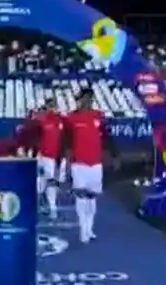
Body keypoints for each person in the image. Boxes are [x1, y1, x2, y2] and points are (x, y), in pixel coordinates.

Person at [63, 88, 117, 244]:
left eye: (90, 98)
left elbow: (107, 137)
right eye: (84, 98)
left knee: (92, 198)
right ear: (79, 100)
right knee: (81, 197)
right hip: (79, 163)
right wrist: (66, 159)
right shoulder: (71, 118)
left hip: (95, 164)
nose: (87, 101)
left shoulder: (98, 116)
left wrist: (114, 155)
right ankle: (83, 229)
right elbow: (66, 141)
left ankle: (90, 228)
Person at [36, 98, 66, 219]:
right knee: (42, 180)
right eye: (50, 106)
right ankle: (45, 204)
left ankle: (51, 206)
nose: (52, 108)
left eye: (54, 106)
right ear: (46, 107)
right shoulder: (41, 120)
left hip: (57, 157)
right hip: (44, 156)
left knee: (53, 183)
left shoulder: (62, 121)